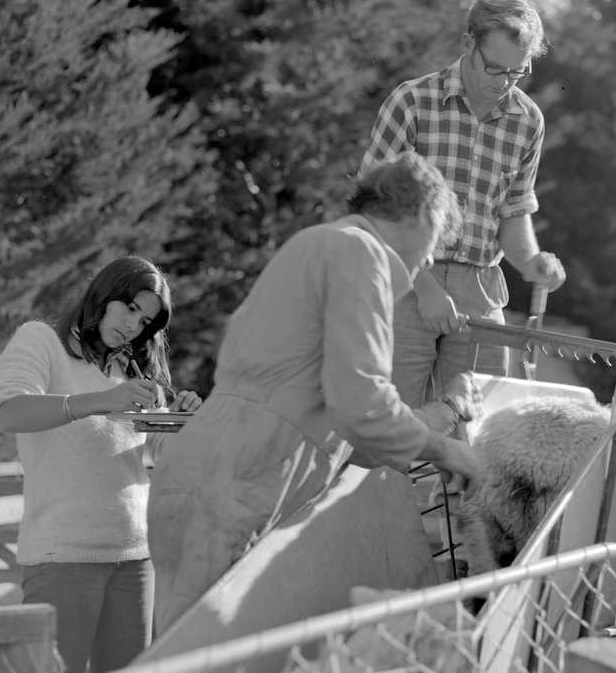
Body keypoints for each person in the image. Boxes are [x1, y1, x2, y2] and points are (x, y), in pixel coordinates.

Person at [147, 153, 487, 634]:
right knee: (199, 670)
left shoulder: (324, 247)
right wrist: (449, 451)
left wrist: (448, 409)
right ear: (422, 214)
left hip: (213, 479)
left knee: (191, 664)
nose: (430, 260)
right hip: (233, 491)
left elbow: (360, 439)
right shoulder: (360, 254)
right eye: (435, 244)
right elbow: (364, 409)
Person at [0, 255, 202, 673]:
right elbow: (7, 411)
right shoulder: (41, 340)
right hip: (62, 557)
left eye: (145, 321)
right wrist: (101, 402)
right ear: (104, 294)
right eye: (130, 307)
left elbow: (162, 452)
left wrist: (181, 422)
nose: (133, 325)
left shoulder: (133, 371)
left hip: (136, 559)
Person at [360, 0, 567, 408]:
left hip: (481, 290)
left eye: (518, 71)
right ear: (469, 43)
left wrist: (531, 261)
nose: (504, 82)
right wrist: (424, 288)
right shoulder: (411, 102)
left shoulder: (528, 121)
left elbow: (513, 210)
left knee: (478, 426)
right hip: (405, 283)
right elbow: (373, 209)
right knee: (390, 420)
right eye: (495, 68)